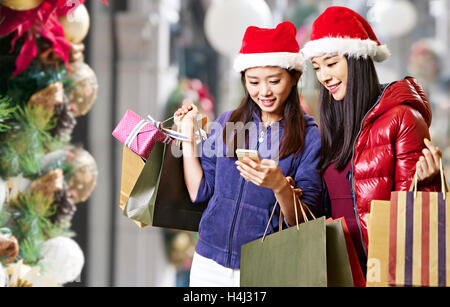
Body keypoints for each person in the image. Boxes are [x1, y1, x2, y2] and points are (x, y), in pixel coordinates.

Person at [174, 21, 322, 287]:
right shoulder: (226, 123)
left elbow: (305, 220)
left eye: (274, 81)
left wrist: (279, 186)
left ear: (294, 77)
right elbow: (200, 192)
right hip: (207, 263)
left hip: (265, 267)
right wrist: (187, 136)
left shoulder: (309, 137)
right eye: (254, 82)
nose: (263, 92)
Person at [300, 6, 443, 274]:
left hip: (382, 270)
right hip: (336, 268)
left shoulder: (403, 118)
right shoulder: (333, 124)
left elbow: (415, 218)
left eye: (331, 63)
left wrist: (427, 182)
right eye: (317, 67)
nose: (324, 76)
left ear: (357, 60)